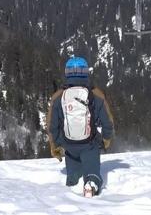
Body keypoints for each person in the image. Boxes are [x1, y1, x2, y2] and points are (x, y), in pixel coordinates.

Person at [47, 56, 115, 197]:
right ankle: (91, 184)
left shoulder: (58, 96)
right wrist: (106, 139)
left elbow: (52, 125)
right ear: (86, 72)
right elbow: (107, 120)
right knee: (91, 171)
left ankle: (72, 186)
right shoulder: (95, 94)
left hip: (69, 144)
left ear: (67, 73)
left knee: (73, 175)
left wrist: (55, 145)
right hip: (90, 144)